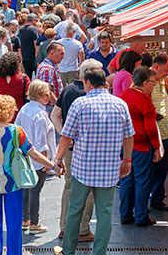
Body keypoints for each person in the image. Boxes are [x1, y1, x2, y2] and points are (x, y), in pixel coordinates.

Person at [54, 68, 134, 255]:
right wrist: (127, 160)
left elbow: (66, 136)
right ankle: (99, 252)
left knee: (75, 211)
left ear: (88, 83)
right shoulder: (120, 104)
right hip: (109, 170)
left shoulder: (80, 104)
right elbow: (129, 136)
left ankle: (68, 250)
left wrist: (58, 159)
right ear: (104, 83)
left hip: (83, 169)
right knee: (105, 213)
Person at [0, 95, 58, 255]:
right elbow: (33, 153)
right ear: (10, 112)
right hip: (13, 184)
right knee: (14, 226)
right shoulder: (17, 132)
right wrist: (52, 164)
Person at [51, 59, 103, 242]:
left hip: (70, 149)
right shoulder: (92, 95)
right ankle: (81, 229)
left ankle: (65, 227)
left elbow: (55, 115)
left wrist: (64, 133)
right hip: (89, 150)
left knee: (70, 186)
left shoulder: (68, 89)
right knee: (87, 190)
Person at [119, 67, 161, 226]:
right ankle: (141, 216)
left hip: (125, 145)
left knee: (126, 180)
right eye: (152, 83)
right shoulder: (144, 100)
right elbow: (150, 128)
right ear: (145, 83)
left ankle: (125, 214)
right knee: (142, 181)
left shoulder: (125, 96)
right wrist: (157, 147)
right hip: (141, 146)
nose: (154, 86)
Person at [15, 80, 57, 234]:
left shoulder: (25, 108)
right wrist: (47, 162)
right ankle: (34, 223)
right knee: (35, 191)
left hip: (25, 157)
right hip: (38, 159)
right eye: (47, 94)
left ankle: (25, 220)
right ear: (41, 95)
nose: (50, 96)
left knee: (26, 189)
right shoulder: (40, 114)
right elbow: (42, 142)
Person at [150, 53, 168, 212]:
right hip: (152, 132)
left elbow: (166, 101)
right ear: (157, 67)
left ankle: (158, 198)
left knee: (162, 168)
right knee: (152, 168)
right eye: (166, 70)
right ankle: (146, 202)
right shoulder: (147, 80)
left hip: (164, 131)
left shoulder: (164, 81)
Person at [0, 52, 30, 118]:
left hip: (0, 116)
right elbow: (29, 97)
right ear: (17, 64)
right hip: (19, 116)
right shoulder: (24, 78)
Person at [57, 22, 85, 87]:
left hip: (61, 69)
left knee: (62, 90)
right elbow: (82, 56)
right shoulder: (78, 44)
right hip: (73, 69)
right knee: (73, 89)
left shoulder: (58, 43)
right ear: (74, 32)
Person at [18, 13, 39, 79]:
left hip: (24, 57)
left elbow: (19, 45)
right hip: (33, 58)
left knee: (27, 78)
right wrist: (37, 58)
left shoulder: (21, 30)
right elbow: (36, 44)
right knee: (37, 78)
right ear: (33, 20)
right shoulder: (34, 29)